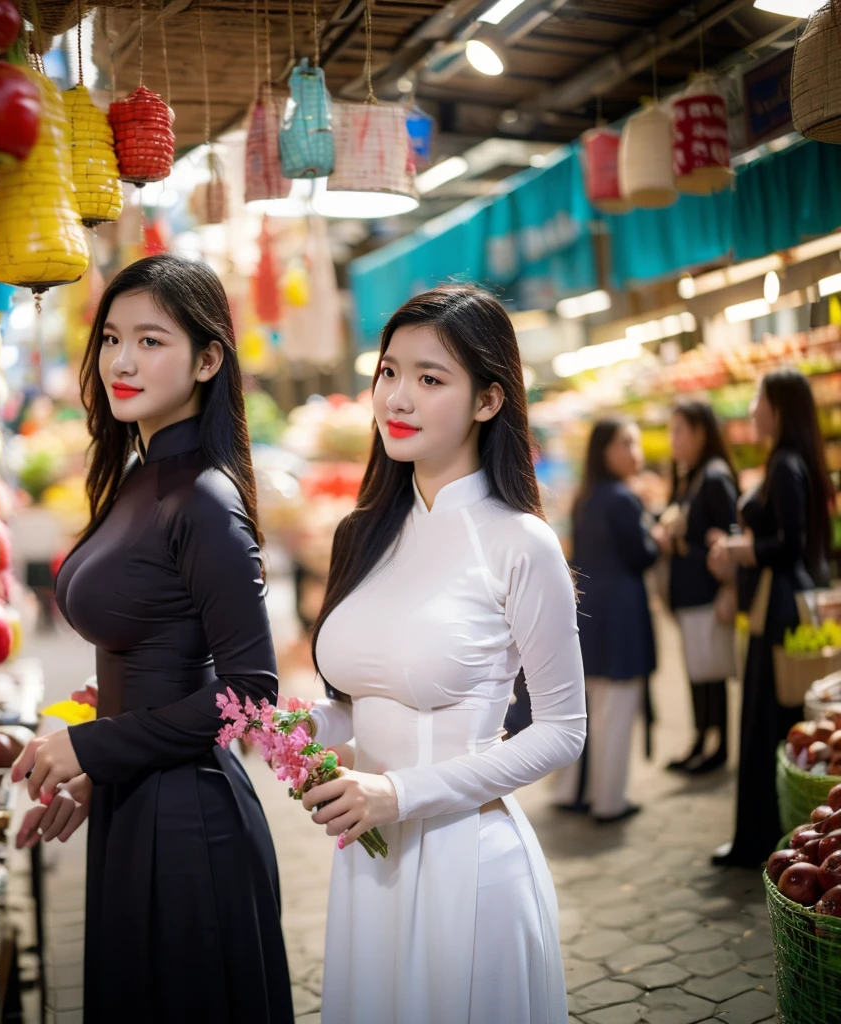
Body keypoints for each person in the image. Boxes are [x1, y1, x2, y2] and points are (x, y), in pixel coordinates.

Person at [11, 254, 293, 1021]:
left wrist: (92, 749)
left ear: (208, 359)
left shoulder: (203, 499)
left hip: (190, 829)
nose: (122, 361)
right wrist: (97, 769)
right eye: (110, 338)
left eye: (150, 340)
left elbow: (253, 698)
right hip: (137, 806)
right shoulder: (137, 475)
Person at [297, 285, 586, 1024]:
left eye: (431, 379)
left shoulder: (520, 544)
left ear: (489, 401)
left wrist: (397, 794)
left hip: (471, 865)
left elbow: (563, 729)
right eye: (389, 372)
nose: (398, 397)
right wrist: (291, 726)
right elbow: (357, 703)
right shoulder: (360, 533)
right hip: (368, 865)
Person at [708, 368, 833, 868]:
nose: (752, 409)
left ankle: (765, 838)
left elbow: (791, 545)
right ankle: (778, 835)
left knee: (767, 721)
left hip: (777, 609)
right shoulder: (790, 461)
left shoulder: (785, 464)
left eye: (759, 398)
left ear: (778, 406)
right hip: (778, 606)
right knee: (773, 722)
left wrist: (743, 549)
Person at [551, 418, 658, 823]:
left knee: (589, 707)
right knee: (615, 709)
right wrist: (659, 540)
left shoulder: (587, 496)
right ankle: (609, 800)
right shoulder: (623, 499)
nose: (636, 451)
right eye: (627, 443)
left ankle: (572, 791)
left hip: (591, 613)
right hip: (622, 618)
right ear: (605, 451)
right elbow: (641, 557)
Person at [655, 401, 739, 775]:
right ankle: (701, 739)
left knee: (711, 673)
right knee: (698, 672)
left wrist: (729, 587)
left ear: (700, 432)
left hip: (708, 593)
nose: (673, 440)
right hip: (690, 595)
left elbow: (731, 538)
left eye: (679, 431)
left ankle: (718, 746)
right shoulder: (690, 475)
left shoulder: (715, 476)